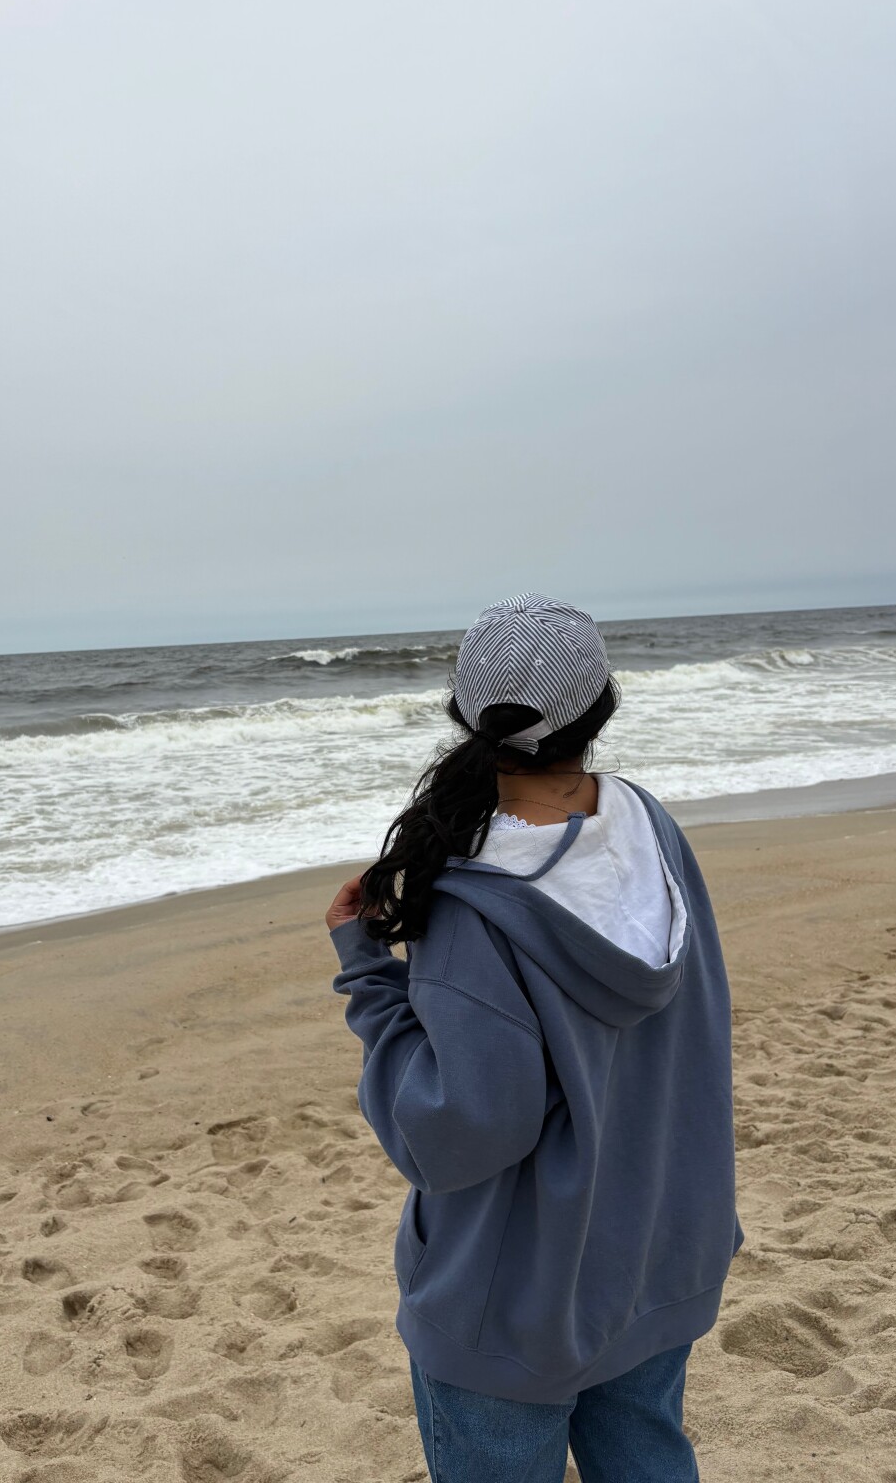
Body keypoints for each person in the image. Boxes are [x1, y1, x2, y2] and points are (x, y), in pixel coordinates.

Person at [326, 593, 743, 1483]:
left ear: (464, 716)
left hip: (518, 1300)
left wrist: (366, 976)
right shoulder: (647, 827)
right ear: (601, 710)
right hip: (659, 1251)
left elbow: (459, 1130)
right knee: (647, 1456)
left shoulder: (472, 902)